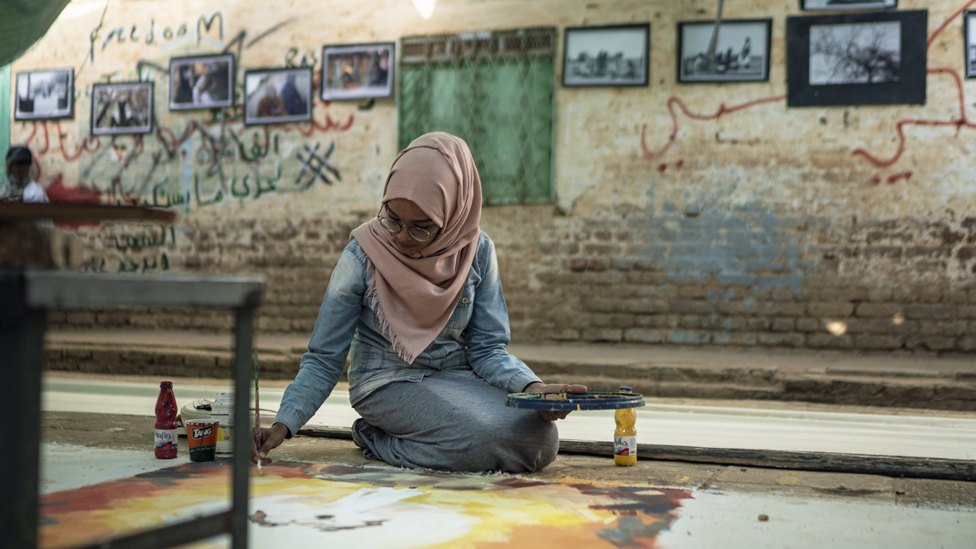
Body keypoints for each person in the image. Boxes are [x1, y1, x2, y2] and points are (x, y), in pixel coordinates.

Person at [255, 133, 586, 473]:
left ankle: (399, 439)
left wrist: (534, 389)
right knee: (479, 440)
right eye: (392, 218)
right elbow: (325, 357)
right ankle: (377, 438)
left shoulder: (477, 253)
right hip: (386, 382)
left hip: (458, 379)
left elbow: (487, 349)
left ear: (453, 215)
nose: (399, 237)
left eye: (420, 228)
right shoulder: (362, 255)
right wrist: (284, 424)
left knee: (540, 438)